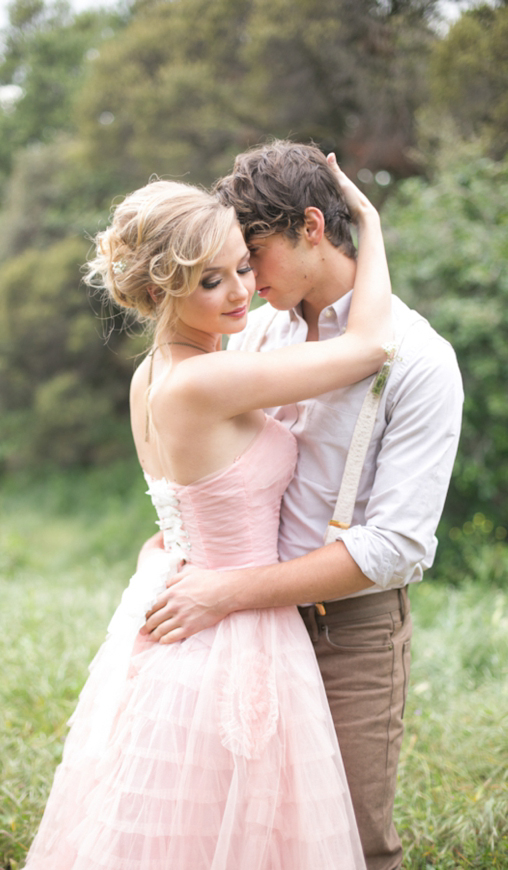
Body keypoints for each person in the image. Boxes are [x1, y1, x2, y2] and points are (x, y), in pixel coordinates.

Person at [23, 155, 392, 870]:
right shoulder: (207, 381)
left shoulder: (151, 376)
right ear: (164, 288)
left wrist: (165, 554)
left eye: (242, 268)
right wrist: (369, 225)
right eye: (211, 281)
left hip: (185, 605)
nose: (242, 294)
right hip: (234, 632)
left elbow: (186, 507)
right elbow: (370, 348)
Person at [141, 141, 464, 870]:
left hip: (346, 631)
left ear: (311, 227)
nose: (245, 284)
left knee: (346, 837)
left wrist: (227, 591)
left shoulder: (418, 358)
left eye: (253, 257)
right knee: (241, 832)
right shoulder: (255, 331)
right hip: (242, 633)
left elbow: (395, 549)